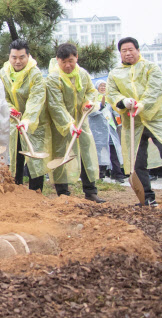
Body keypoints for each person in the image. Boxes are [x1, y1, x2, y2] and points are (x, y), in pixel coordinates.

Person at [107, 37, 162, 205]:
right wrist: (123, 102)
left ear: (137, 50)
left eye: (131, 49)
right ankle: (147, 196)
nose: (128, 53)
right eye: (124, 50)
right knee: (137, 158)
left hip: (156, 116)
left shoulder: (151, 67)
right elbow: (112, 94)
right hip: (132, 121)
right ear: (120, 53)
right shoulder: (115, 73)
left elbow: (155, 91)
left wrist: (142, 104)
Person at [46, 43, 104, 203]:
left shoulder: (83, 74)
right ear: (57, 60)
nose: (68, 65)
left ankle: (91, 191)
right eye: (63, 62)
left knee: (86, 153)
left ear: (76, 57)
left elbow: (91, 92)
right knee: (60, 154)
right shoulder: (53, 78)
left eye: (71, 60)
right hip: (61, 125)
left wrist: (89, 103)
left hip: (81, 121)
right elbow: (56, 105)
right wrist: (68, 124)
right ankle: (63, 192)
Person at [0, 39, 49, 191]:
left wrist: (27, 120)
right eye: (14, 57)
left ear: (28, 56)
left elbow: (36, 98)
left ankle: (36, 192)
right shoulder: (4, 73)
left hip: (34, 123)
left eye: (22, 57)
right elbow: (2, 96)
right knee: (15, 157)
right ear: (9, 57)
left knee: (35, 158)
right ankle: (16, 191)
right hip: (14, 121)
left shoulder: (35, 74)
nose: (18, 61)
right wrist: (10, 109)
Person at [89, 80, 124, 184]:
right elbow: (91, 112)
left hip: (110, 130)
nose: (103, 87)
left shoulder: (109, 98)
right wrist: (101, 105)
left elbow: (115, 112)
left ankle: (117, 174)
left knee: (114, 151)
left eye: (105, 85)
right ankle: (100, 174)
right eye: (101, 86)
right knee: (98, 152)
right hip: (98, 131)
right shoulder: (93, 98)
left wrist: (119, 122)